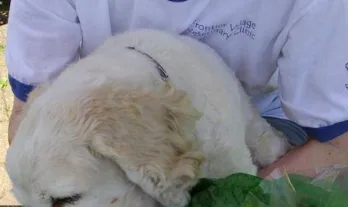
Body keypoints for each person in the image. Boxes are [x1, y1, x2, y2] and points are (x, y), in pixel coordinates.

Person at [5, 0, 348, 177]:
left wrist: (247, 196)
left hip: (258, 114)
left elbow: (337, 145)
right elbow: (31, 120)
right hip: (110, 119)